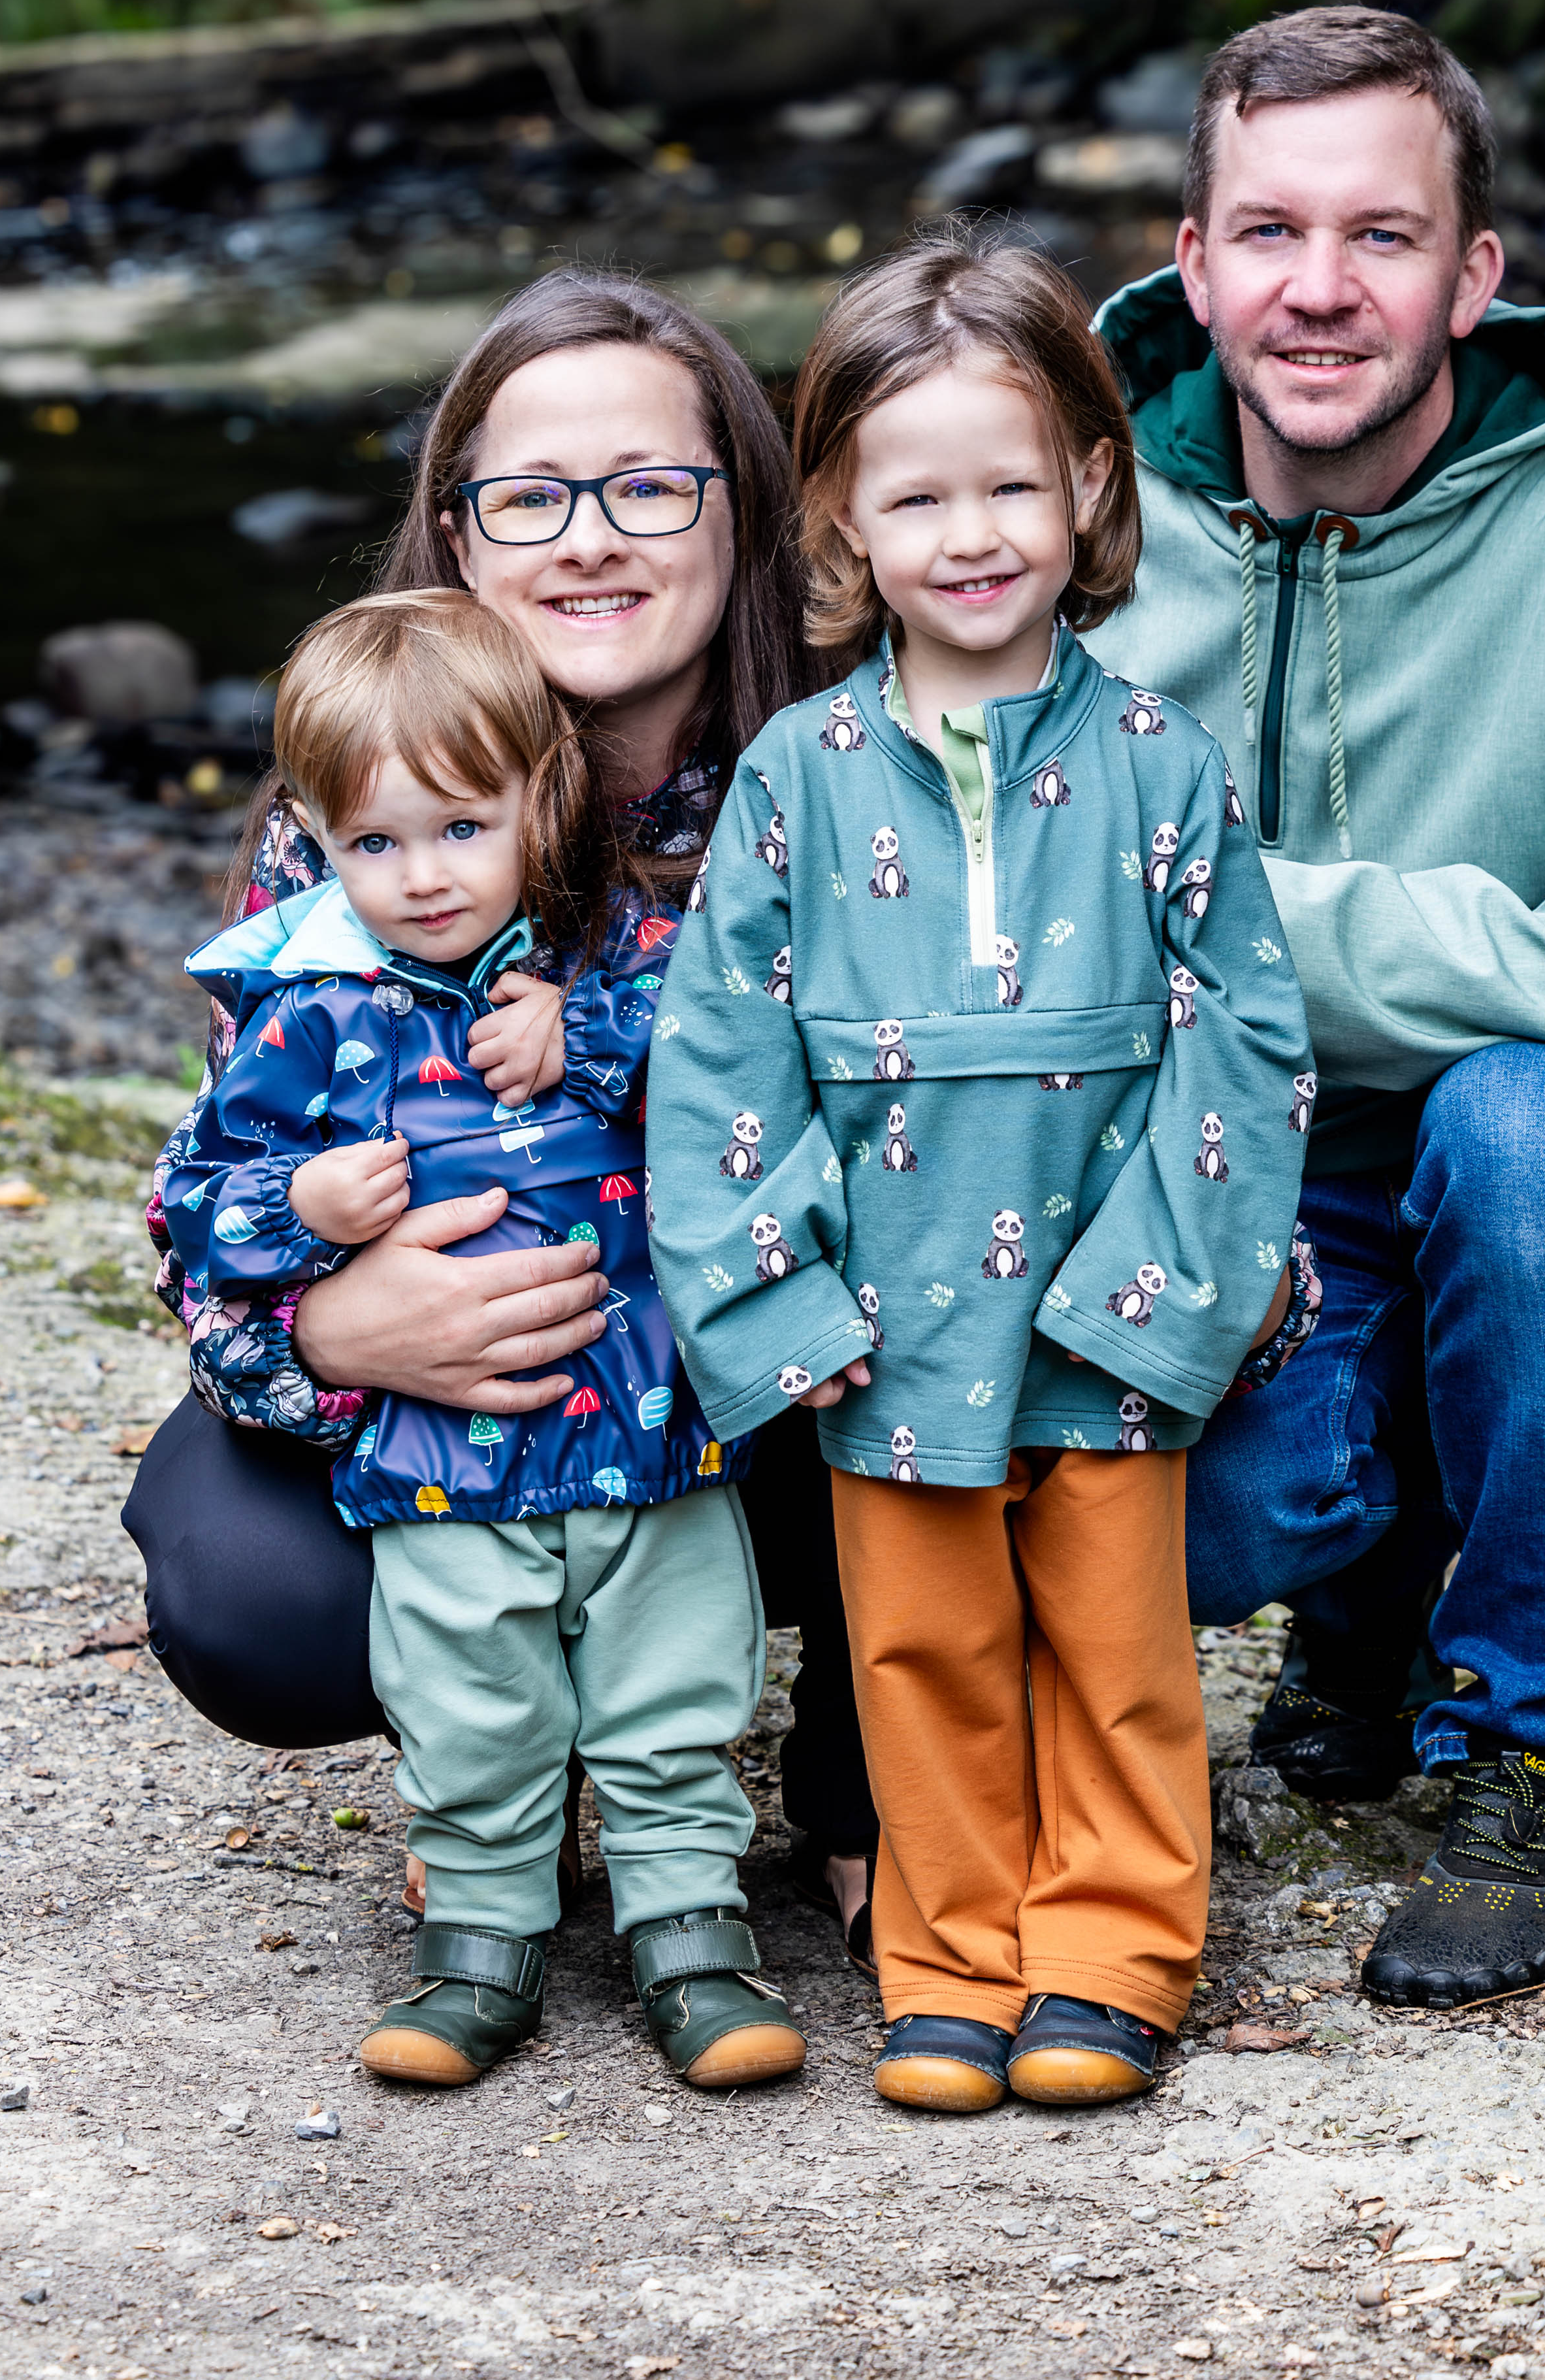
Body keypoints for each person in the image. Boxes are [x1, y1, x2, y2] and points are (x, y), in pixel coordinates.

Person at [1085, 6, 1545, 2008]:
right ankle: (1371, 1593)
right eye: (1274, 233)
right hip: (1234, 1189)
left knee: (1523, 1111)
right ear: (1196, 256)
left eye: (1385, 236)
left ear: (1476, 273)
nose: (1323, 292)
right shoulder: (1071, 540)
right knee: (1222, 1526)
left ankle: (1529, 1748)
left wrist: (1216, 916)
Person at [122, 271, 878, 1968]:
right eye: (530, 495)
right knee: (252, 1584)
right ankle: (498, 1768)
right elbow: (207, 1207)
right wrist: (329, 1321)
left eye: (648, 485)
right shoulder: (358, 821)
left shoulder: (851, 769)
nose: (588, 537)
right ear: (460, 534)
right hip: (490, 1417)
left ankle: (865, 1766)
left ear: (741, 506)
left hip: (787, 1388)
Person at [646, 225, 1320, 2114]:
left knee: (1115, 1651)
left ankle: (1112, 1950)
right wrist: (776, 1291)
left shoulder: (1163, 765)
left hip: (1102, 1313)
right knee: (920, 1652)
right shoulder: (798, 772)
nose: (972, 532)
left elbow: (1248, 1034)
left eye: (1014, 481)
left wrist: (1162, 1286)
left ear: (1092, 485)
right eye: (915, 491)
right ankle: (948, 1959)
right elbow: (724, 1053)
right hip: (885, 1310)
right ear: (844, 518)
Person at [165, 588, 804, 2091]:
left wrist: (578, 1038)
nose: (424, 875)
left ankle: (692, 1934)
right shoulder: (306, 1008)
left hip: (648, 1433)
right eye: (372, 844)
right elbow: (197, 1200)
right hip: (438, 1448)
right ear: (317, 841)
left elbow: (750, 1064)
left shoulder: (625, 955)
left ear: (541, 794)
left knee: (670, 1687)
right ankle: (478, 1944)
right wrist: (305, 1203)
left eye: (459, 827)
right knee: (470, 1698)